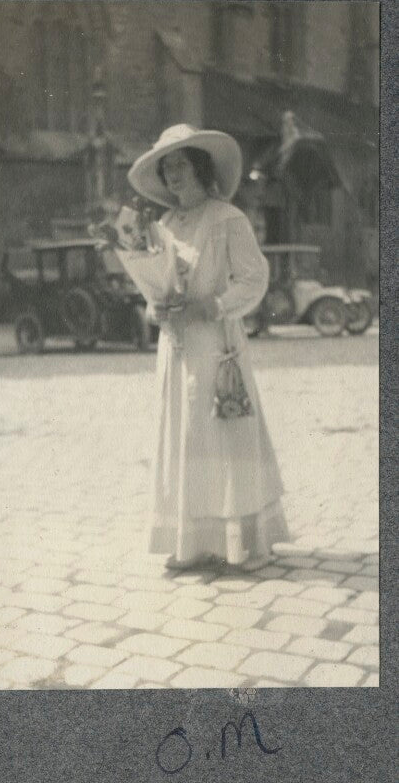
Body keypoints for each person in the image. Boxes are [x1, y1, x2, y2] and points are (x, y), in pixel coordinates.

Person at [128, 124, 289, 572]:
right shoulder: (162, 226)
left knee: (223, 436)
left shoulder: (226, 219)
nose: (172, 175)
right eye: (166, 168)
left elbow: (254, 279)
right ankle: (193, 542)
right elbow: (154, 289)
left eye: (179, 165)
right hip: (177, 351)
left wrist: (210, 306)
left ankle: (244, 542)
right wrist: (156, 311)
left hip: (216, 347)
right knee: (186, 436)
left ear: (200, 166)